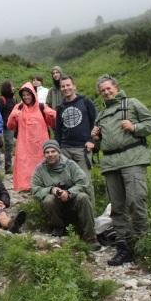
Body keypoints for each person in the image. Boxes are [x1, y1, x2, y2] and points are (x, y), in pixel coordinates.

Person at [91, 74, 151, 266]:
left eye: (108, 88)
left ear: (116, 87)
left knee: (136, 200)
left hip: (133, 159)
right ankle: (124, 247)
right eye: (102, 90)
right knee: (117, 207)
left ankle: (142, 243)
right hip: (111, 163)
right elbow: (97, 146)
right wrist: (95, 138)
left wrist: (135, 127)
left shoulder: (132, 103)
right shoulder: (101, 115)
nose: (106, 92)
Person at [31, 140, 101, 251]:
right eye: (47, 152)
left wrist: (69, 193)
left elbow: (83, 182)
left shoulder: (70, 164)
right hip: (56, 206)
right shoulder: (40, 169)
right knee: (48, 200)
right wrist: (51, 189)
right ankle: (59, 228)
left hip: (73, 201)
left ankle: (90, 238)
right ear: (44, 154)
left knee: (83, 197)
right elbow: (35, 189)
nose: (50, 154)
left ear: (58, 152)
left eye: (53, 151)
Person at [54, 75, 97, 209]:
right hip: (65, 149)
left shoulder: (85, 102)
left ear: (74, 86)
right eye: (63, 86)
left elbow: (96, 123)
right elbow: (58, 131)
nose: (66, 88)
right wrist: (58, 148)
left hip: (82, 149)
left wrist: (91, 140)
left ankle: (91, 217)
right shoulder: (60, 107)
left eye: (68, 85)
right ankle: (72, 218)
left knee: (85, 182)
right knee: (67, 184)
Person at [7, 82, 56, 191]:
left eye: (28, 94)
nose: (26, 97)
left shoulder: (42, 106)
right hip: (24, 144)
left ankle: (43, 187)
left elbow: (53, 123)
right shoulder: (18, 107)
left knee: (42, 165)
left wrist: (52, 114)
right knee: (25, 167)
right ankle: (26, 189)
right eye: (23, 95)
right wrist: (12, 116)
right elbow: (10, 126)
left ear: (33, 94)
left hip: (40, 145)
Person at [0, 80, 17, 174]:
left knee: (9, 145)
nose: (13, 88)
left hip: (11, 126)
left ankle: (8, 168)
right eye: (12, 86)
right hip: (1, 126)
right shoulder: (1, 100)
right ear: (7, 88)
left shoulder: (14, 99)